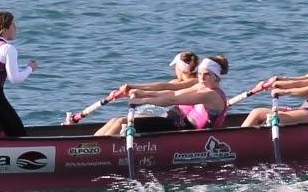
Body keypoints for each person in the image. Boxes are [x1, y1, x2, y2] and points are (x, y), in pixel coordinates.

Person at [94, 57, 227, 135]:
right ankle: (87, 147)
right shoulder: (201, 86)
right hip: (175, 122)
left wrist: (142, 101)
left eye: (207, 74)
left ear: (217, 77)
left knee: (121, 123)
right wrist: (141, 92)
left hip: (181, 129)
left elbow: (173, 99)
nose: (202, 78)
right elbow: (173, 93)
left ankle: (92, 151)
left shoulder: (211, 95)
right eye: (200, 74)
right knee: (115, 120)